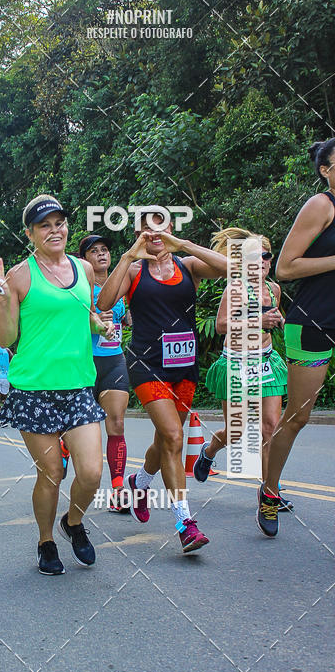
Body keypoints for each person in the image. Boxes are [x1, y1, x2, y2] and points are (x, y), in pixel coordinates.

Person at [0, 194, 115, 575]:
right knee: (52, 474)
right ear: (30, 233)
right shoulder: (20, 275)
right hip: (33, 390)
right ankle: (45, 541)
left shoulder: (83, 269)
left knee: (91, 472)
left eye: (59, 222)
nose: (54, 230)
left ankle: (72, 523)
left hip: (78, 386)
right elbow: (5, 339)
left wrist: (99, 323)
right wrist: (2, 302)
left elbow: (85, 313)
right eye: (44, 225)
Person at [98, 210, 227, 553]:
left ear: (170, 229)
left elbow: (232, 268)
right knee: (173, 436)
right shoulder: (136, 271)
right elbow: (104, 302)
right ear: (139, 233)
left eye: (160, 227)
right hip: (147, 365)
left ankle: (139, 482)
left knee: (164, 441)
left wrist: (183, 244)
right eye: (145, 228)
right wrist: (127, 256)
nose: (153, 233)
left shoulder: (188, 266)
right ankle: (185, 522)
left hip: (184, 367)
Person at [258, 138, 335, 537]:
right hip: (314, 322)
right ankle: (270, 492)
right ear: (326, 169)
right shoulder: (322, 206)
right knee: (299, 415)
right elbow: (285, 267)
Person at [194, 228, 289, 505]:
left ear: (270, 262)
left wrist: (278, 320)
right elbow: (221, 325)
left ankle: (270, 492)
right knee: (237, 431)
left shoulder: (274, 289)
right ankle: (209, 451)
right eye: (253, 257)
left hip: (266, 362)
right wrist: (257, 323)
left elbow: (272, 316)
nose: (260, 262)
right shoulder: (234, 288)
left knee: (270, 427)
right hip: (236, 365)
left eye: (265, 257)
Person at [78, 234, 131, 512]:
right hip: (84, 365)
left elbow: (127, 318)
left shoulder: (121, 284)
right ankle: (65, 449)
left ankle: (118, 488)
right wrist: (94, 324)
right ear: (84, 259)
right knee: (81, 429)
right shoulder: (77, 288)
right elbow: (68, 328)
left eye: (105, 250)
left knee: (117, 423)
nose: (101, 255)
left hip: (113, 361)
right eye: (94, 251)